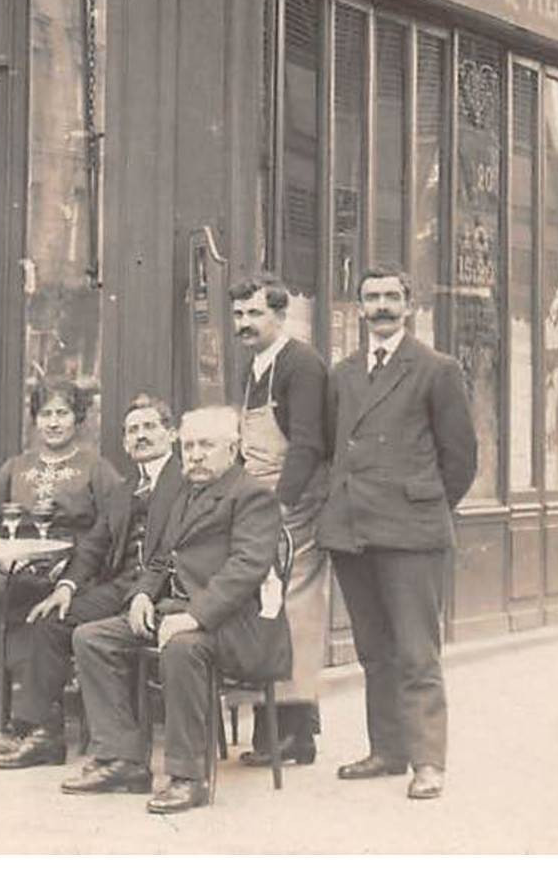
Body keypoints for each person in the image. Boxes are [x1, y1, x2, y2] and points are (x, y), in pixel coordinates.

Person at [66, 406, 287, 814]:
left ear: (233, 448)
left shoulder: (252, 495)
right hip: (179, 613)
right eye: (188, 446)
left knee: (183, 646)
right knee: (91, 637)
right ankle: (122, 759)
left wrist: (194, 616)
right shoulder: (188, 492)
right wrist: (142, 596)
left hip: (239, 625)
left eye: (206, 445)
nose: (196, 455)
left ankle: (188, 777)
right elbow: (163, 558)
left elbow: (246, 569)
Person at [321, 265, 477, 801]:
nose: (381, 306)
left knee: (416, 650)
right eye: (371, 298)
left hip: (410, 532)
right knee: (374, 650)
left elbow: (460, 460)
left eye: (391, 297)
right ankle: (387, 750)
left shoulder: (437, 369)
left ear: (409, 305)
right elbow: (331, 447)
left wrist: (422, 506)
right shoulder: (342, 374)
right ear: (359, 307)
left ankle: (428, 761)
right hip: (353, 531)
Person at [0, 393, 182, 771]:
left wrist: (145, 589)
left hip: (169, 591)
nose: (140, 436)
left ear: (172, 434)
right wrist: (66, 587)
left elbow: (180, 548)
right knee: (49, 617)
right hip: (123, 586)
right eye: (132, 431)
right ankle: (44, 733)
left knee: (90, 634)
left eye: (149, 427)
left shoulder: (186, 480)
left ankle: (115, 749)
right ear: (125, 442)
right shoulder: (126, 488)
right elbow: (94, 545)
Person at [0, 379, 122, 743]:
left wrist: (75, 565)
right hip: (19, 566)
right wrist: (2, 558)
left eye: (62, 413)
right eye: (46, 414)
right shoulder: (16, 466)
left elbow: (116, 523)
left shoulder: (95, 466)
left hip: (72, 571)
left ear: (78, 419)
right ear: (35, 420)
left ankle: (37, 717)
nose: (54, 422)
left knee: (42, 615)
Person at [228, 272, 332, 766]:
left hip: (294, 506)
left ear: (280, 315)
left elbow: (309, 443)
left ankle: (296, 733)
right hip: (259, 503)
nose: (244, 323)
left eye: (254, 313)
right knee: (267, 611)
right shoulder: (255, 366)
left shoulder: (301, 365)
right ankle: (277, 730)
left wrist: (283, 505)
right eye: (238, 315)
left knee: (295, 611)